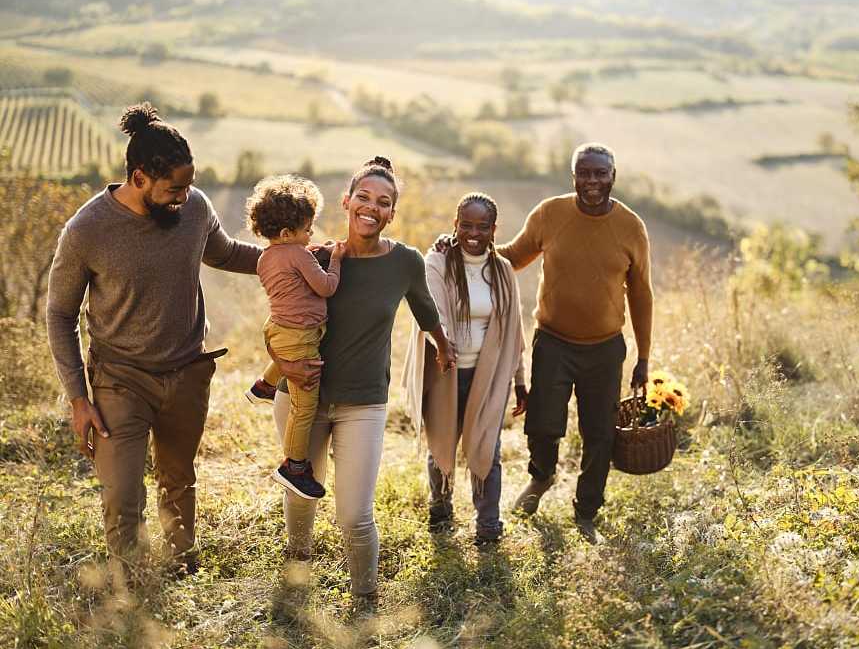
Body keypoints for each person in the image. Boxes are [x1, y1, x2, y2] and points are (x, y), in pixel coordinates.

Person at [45, 102, 262, 574]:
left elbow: (224, 253)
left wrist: (293, 257)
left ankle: (181, 566)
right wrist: (78, 399)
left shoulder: (195, 206)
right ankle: (130, 587)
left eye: (188, 186)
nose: (185, 197)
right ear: (139, 177)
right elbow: (60, 315)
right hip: (120, 379)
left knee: (178, 478)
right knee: (123, 492)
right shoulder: (86, 230)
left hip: (186, 372)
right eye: (174, 188)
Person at [269, 156, 456, 602]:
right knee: (301, 491)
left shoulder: (405, 262)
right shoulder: (313, 258)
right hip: (302, 398)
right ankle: (297, 577)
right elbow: (280, 322)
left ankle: (365, 601)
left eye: (384, 202)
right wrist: (282, 363)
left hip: (364, 403)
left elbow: (425, 310)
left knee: (355, 515)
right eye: (365, 197)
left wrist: (444, 347)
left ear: (392, 213)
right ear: (347, 201)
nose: (372, 207)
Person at [489, 143, 654, 543]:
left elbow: (642, 294)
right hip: (554, 342)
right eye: (585, 173)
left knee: (600, 434)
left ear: (613, 177)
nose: (592, 181)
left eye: (600, 173)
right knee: (543, 423)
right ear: (573, 176)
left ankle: (587, 511)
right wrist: (467, 248)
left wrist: (644, 357)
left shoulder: (631, 227)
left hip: (605, 348)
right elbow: (513, 256)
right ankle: (541, 477)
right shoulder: (550, 214)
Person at [403, 192, 528, 547]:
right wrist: (446, 348)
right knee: (441, 444)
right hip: (446, 371)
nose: (474, 233)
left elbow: (514, 329)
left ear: (493, 229)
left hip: (487, 376)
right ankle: (440, 509)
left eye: (482, 226)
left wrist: (519, 380)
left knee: (488, 446)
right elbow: (433, 312)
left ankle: (488, 523)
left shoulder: (502, 270)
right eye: (466, 225)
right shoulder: (438, 262)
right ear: (455, 225)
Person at [244, 174, 345, 500]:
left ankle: (264, 386)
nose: (311, 234)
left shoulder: (265, 257)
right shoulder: (299, 255)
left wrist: (309, 251)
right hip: (300, 339)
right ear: (287, 233)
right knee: (304, 407)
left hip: (277, 329)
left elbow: (292, 274)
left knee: (285, 354)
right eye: (306, 230)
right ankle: (294, 466)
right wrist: (337, 261)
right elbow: (325, 286)